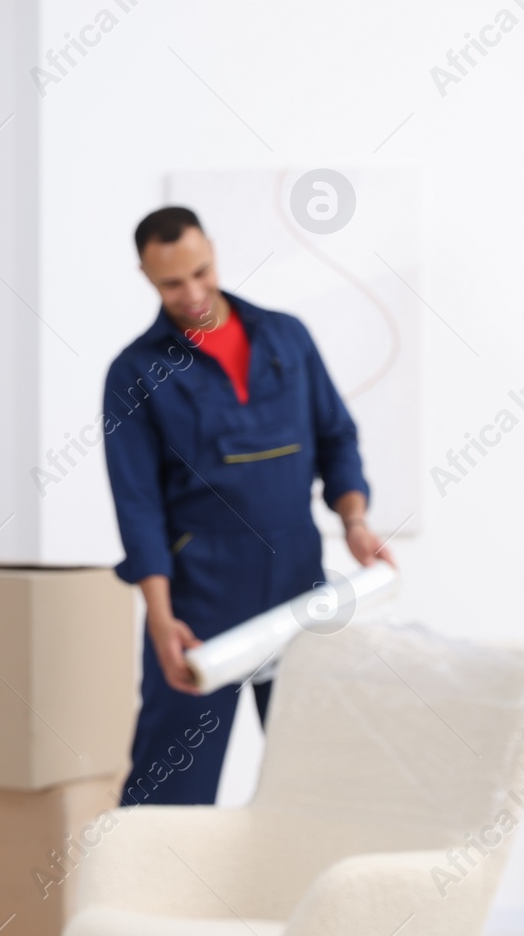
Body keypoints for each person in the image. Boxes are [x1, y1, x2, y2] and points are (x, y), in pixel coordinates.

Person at [102, 206, 393, 806]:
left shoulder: (286, 337)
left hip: (298, 588)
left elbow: (336, 436)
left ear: (212, 248)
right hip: (199, 602)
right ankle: (149, 901)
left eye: (201, 272)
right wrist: (158, 613)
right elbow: (138, 505)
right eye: (171, 283)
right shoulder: (134, 373)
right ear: (145, 276)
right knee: (169, 791)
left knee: (319, 780)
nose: (193, 293)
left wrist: (356, 524)